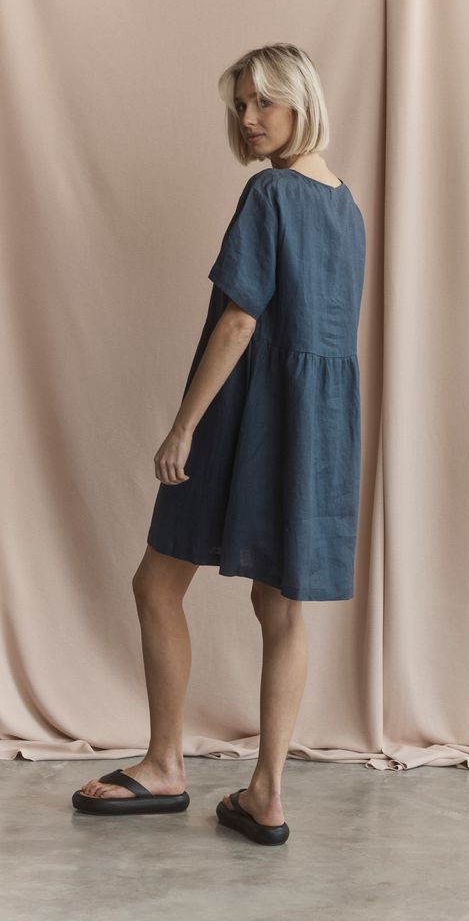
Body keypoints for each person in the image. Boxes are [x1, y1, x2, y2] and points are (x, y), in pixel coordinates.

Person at [71, 42, 366, 845]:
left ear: (301, 101)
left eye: (264, 101)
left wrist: (183, 427)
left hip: (249, 416)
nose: (248, 119)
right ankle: (266, 793)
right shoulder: (347, 207)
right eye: (240, 105)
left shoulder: (270, 192)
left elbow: (240, 321)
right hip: (319, 425)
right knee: (281, 605)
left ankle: (166, 764)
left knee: (156, 583)